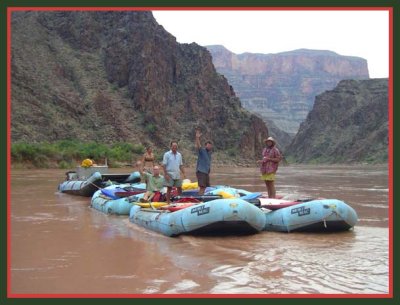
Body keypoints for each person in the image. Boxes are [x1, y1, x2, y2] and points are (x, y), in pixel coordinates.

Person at [195, 128, 213, 195]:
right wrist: (197, 138)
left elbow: (208, 164)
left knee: (207, 187)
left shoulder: (209, 153)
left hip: (206, 173)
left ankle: (204, 198)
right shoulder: (202, 151)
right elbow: (198, 146)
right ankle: (200, 199)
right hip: (201, 171)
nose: (209, 146)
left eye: (210, 145)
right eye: (208, 145)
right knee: (202, 187)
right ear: (205, 146)